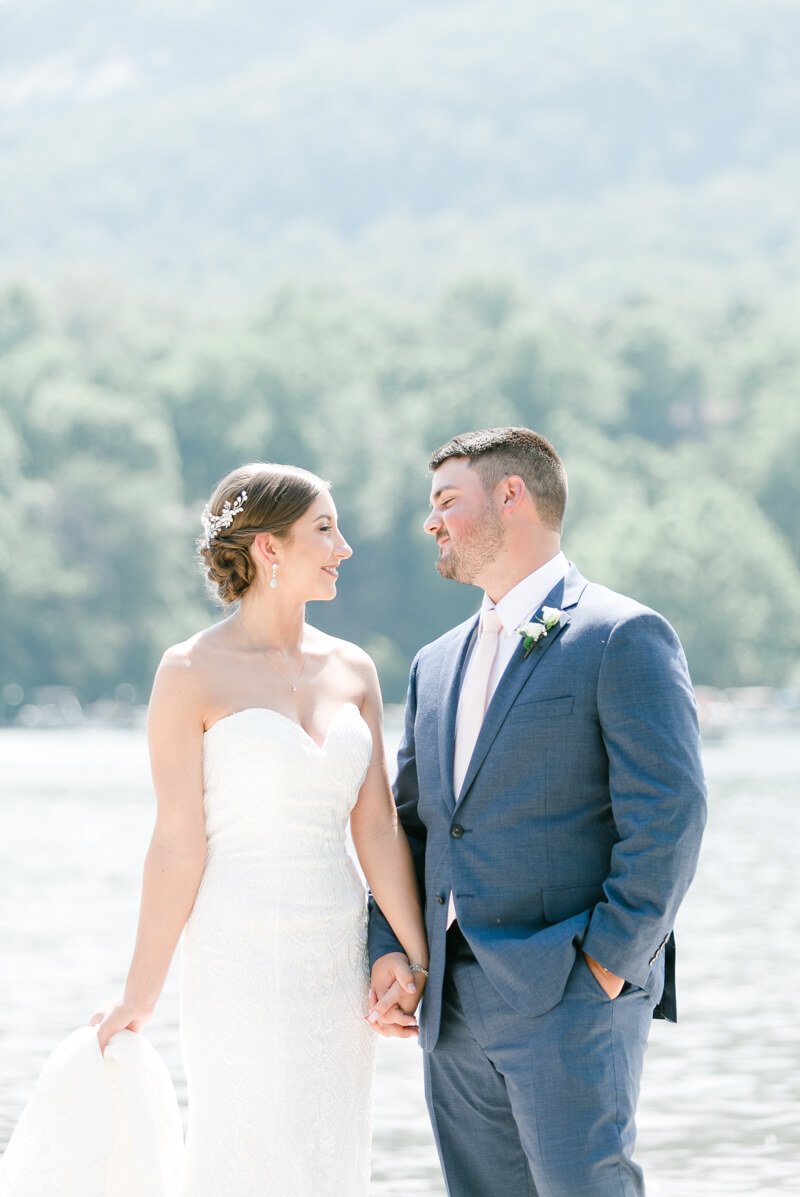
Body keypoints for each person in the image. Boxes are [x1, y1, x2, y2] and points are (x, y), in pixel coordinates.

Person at [0, 462, 428, 1197]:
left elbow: (380, 829)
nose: (344, 547)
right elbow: (177, 842)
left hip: (337, 958)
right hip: (237, 956)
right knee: (245, 1146)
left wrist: (417, 961)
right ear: (268, 546)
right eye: (325, 528)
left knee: (329, 1151)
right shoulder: (189, 671)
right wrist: (139, 994)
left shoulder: (355, 669)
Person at [367, 427, 707, 1196]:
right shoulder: (433, 664)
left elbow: (671, 813)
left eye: (446, 501)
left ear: (511, 496)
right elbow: (413, 826)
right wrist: (391, 947)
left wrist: (607, 964)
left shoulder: (621, 634)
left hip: (571, 992)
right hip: (451, 1007)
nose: (431, 521)